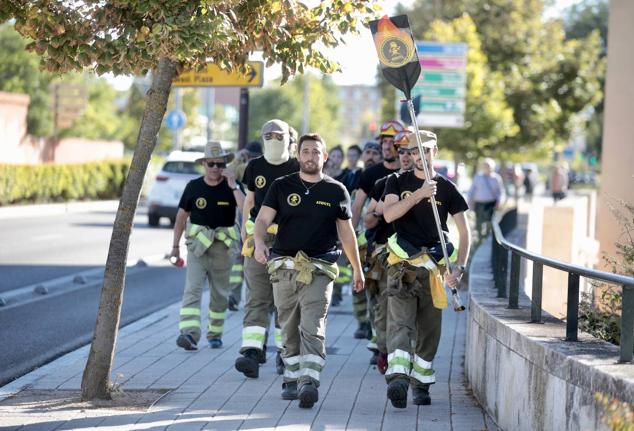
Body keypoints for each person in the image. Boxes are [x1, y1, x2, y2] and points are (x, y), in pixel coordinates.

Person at [253, 133, 364, 408]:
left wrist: (357, 270)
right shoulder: (281, 186)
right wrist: (257, 243)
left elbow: (347, 235)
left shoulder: (336, 190)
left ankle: (309, 381)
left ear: (324, 157)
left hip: (319, 268)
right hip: (285, 268)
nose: (310, 156)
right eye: (305, 151)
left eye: (316, 151)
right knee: (288, 327)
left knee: (312, 326)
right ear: (298, 156)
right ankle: (291, 378)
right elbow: (263, 219)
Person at [383, 130, 470, 408]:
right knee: (401, 324)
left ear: (436, 152)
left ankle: (421, 383)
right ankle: (397, 377)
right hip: (402, 268)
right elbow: (389, 214)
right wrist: (419, 195)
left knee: (429, 331)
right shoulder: (396, 181)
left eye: (427, 150)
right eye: (415, 150)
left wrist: (460, 267)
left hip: (434, 270)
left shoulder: (446, 188)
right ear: (409, 153)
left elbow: (465, 233)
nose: (421, 155)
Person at [236, 119, 300, 378]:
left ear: (288, 138)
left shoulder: (296, 167)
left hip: (288, 242)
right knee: (256, 297)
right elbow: (250, 200)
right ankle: (252, 351)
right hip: (258, 240)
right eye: (268, 135)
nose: (273, 139)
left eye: (278, 135)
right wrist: (244, 228)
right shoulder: (255, 167)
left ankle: (284, 353)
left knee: (284, 300)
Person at [170, 141, 245, 351]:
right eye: (210, 164)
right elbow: (180, 218)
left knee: (220, 294)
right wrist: (175, 247)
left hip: (223, 248)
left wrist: (234, 186)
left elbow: (245, 207)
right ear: (203, 163)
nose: (215, 168)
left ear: (225, 165)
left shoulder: (232, 186)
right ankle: (189, 334)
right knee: (192, 290)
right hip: (198, 248)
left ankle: (215, 334)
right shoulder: (193, 187)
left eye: (219, 164)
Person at [362, 128, 415, 369]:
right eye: (401, 150)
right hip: (386, 256)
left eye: (410, 151)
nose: (404, 156)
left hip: (417, 257)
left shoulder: (429, 186)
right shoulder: (384, 183)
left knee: (411, 312)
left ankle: (405, 356)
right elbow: (368, 220)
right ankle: (386, 353)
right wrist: (385, 210)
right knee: (384, 308)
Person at [348, 120, 404, 340]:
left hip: (407, 248)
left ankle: (390, 345)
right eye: (384, 142)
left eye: (392, 142)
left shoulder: (408, 172)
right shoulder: (371, 175)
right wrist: (348, 239)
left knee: (399, 300)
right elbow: (357, 207)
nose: (387, 147)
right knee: (377, 298)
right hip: (376, 246)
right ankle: (379, 345)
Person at [227, 141, 263, 311]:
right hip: (257, 219)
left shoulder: (245, 167)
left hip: (246, 217)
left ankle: (235, 297)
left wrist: (237, 158)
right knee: (251, 260)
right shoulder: (263, 167)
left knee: (241, 260)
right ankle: (250, 298)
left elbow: (229, 175)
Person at [467, 158, 504, 241]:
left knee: (489, 221)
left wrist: (499, 201)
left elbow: (500, 192)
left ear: (492, 167)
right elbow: (471, 191)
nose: (486, 167)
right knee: (479, 222)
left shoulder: (496, 178)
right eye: (485, 166)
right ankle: (479, 238)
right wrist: (468, 202)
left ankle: (487, 236)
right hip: (479, 203)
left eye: (488, 166)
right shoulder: (478, 177)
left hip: (490, 203)